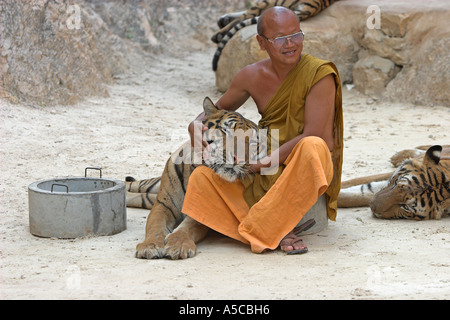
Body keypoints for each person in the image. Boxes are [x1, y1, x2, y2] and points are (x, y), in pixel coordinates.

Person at [183, 6, 343, 254]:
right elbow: (214, 110)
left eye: (296, 35)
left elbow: (316, 134)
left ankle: (266, 227)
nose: (290, 44)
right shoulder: (251, 76)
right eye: (280, 38)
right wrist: (194, 125)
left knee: (313, 147)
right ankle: (271, 226)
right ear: (261, 42)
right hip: (265, 159)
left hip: (301, 163)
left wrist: (262, 163)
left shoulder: (319, 75)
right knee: (201, 179)